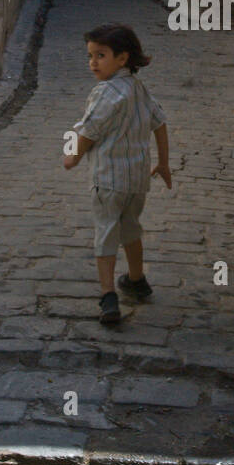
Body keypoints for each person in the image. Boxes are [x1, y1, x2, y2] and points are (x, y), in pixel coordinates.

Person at [64, 22, 172, 325]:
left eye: (100, 56)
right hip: (136, 182)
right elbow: (160, 122)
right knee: (131, 229)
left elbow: (89, 130)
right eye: (90, 56)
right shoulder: (138, 89)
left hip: (108, 180)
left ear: (122, 58)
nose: (92, 63)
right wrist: (163, 162)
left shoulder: (104, 93)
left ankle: (108, 295)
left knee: (106, 234)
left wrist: (72, 157)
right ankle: (137, 280)